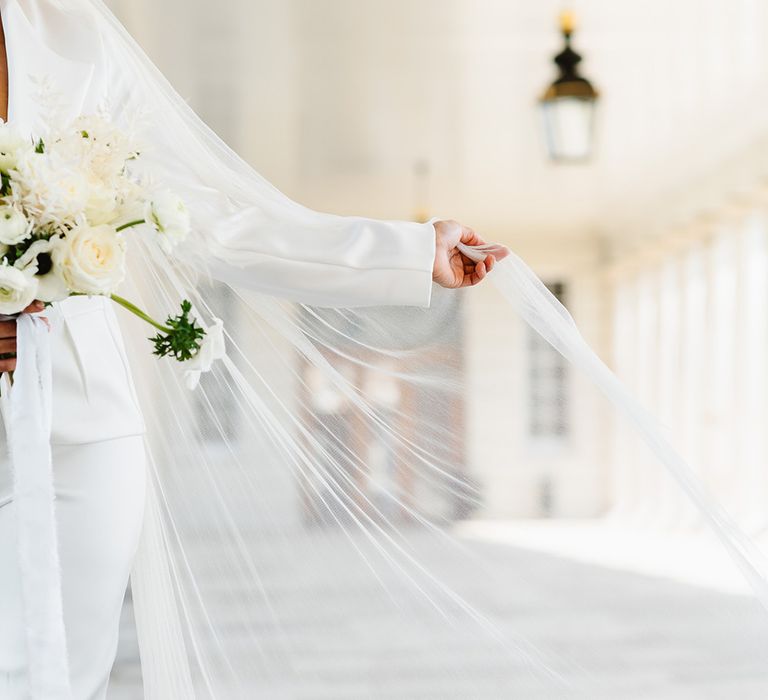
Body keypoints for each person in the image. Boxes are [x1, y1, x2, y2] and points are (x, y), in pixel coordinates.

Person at [0, 0, 499, 697]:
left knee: (64, 679)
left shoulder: (74, 36)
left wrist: (412, 253)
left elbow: (211, 220)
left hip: (84, 429)